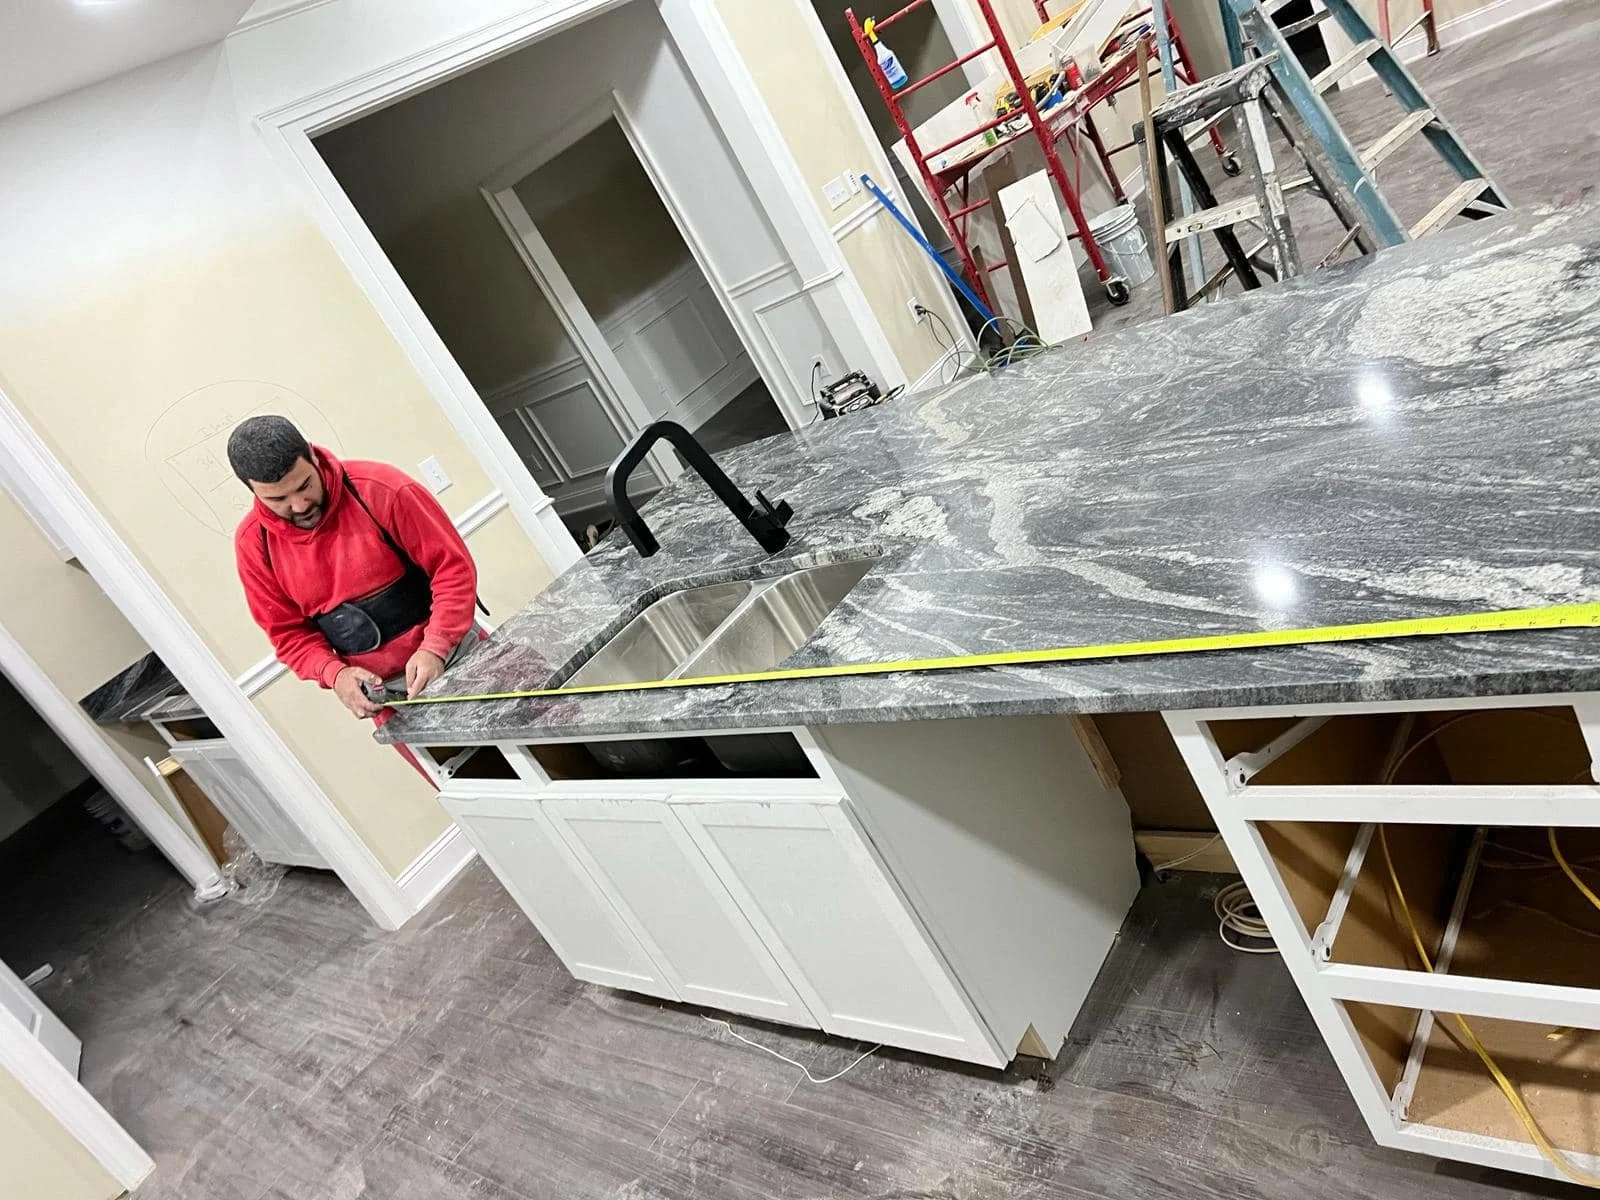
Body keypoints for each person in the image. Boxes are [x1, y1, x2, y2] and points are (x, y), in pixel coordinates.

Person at [228, 415, 478, 722]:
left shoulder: (382, 487)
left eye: (305, 485)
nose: (299, 505)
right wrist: (335, 675)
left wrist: (436, 646)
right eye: (278, 499)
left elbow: (452, 569)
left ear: (313, 455)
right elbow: (289, 634)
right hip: (384, 699)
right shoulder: (254, 543)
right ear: (252, 491)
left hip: (461, 654)